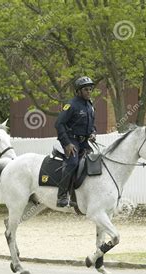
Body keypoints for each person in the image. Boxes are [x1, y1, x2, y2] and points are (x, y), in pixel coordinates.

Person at [54, 76, 97, 207]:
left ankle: (77, 196)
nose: (89, 92)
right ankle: (61, 196)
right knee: (72, 162)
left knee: (93, 162)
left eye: (90, 89)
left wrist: (93, 133)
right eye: (86, 89)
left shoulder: (90, 106)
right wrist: (67, 143)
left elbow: (92, 125)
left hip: (84, 142)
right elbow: (59, 124)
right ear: (78, 91)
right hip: (71, 140)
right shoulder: (71, 105)